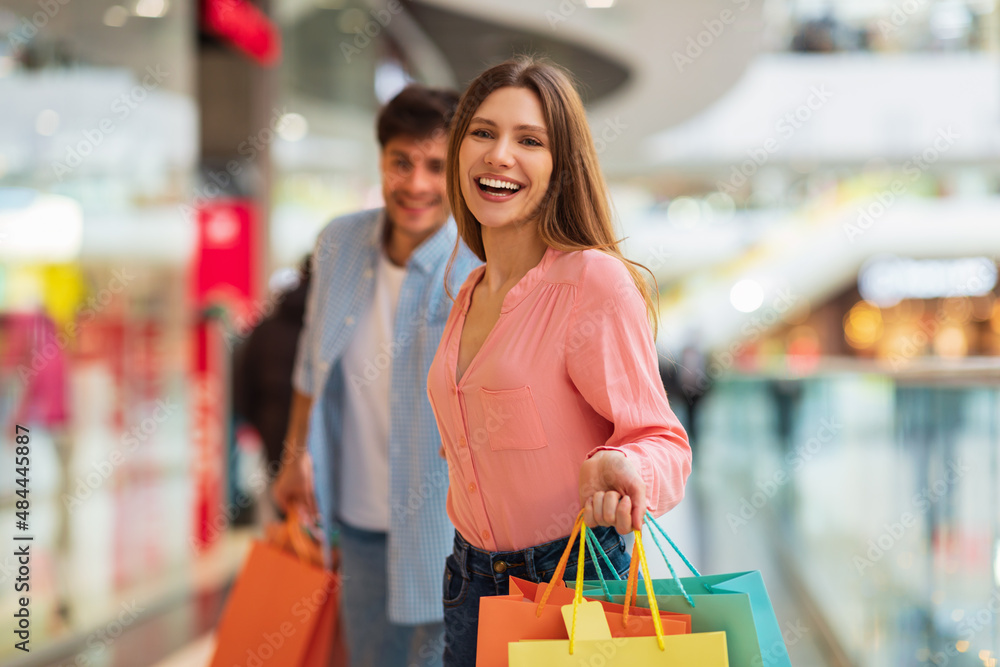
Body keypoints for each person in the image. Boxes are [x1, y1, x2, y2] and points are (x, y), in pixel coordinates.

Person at [426, 57, 693, 665]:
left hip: (573, 585)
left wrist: (625, 465)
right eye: (483, 132)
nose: (499, 155)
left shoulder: (591, 283)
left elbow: (665, 441)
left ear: (560, 166)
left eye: (529, 140)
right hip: (470, 584)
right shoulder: (468, 293)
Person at [272, 85, 479, 667]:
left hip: (448, 531)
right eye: (401, 162)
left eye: (436, 166)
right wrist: (294, 457)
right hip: (357, 518)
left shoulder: (479, 260)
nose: (415, 184)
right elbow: (311, 364)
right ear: (382, 161)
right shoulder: (340, 242)